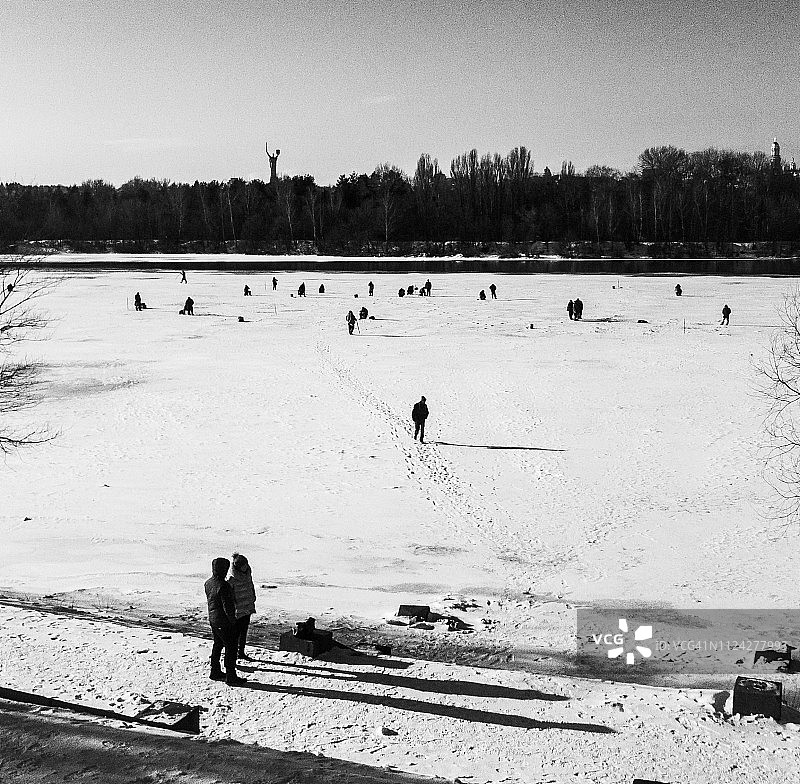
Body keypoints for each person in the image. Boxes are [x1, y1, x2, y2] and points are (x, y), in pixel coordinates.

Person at [204, 557, 245, 686]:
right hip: (223, 621)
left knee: (218, 644)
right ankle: (231, 676)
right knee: (231, 647)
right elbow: (228, 607)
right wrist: (233, 621)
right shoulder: (223, 585)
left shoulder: (208, 582)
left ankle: (215, 671)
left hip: (213, 619)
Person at [227, 553, 257, 661]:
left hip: (247, 607)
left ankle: (241, 652)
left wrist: (253, 597)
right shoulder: (232, 579)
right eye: (243, 565)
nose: (245, 567)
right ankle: (233, 653)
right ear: (238, 566)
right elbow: (229, 596)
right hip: (238, 610)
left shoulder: (248, 574)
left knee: (244, 631)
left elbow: (251, 586)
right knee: (236, 633)